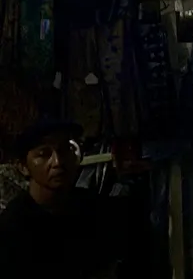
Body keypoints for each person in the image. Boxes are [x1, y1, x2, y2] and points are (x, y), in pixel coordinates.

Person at [0, 119, 122, 278]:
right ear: (23, 166)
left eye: (66, 150)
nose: (58, 162)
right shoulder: (12, 227)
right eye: (44, 154)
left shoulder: (94, 207)